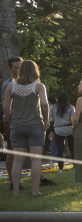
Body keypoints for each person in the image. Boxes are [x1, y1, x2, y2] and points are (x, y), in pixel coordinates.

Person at [3, 60, 50, 195]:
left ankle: (16, 190)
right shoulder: (39, 86)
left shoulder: (11, 86)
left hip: (17, 125)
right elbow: (45, 104)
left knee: (18, 160)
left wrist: (11, 120)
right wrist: (46, 119)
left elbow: (6, 107)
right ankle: (35, 190)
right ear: (35, 71)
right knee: (35, 160)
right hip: (35, 125)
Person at [3, 56, 21, 186]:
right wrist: (11, 121)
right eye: (16, 67)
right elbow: (6, 107)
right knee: (12, 152)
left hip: (25, 121)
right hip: (11, 122)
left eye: (21, 66)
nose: (20, 70)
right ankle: (12, 183)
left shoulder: (27, 82)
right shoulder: (7, 84)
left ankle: (41, 179)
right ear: (10, 69)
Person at [50, 90, 75, 170]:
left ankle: (60, 168)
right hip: (69, 129)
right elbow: (72, 120)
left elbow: (51, 120)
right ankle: (75, 166)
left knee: (59, 149)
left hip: (58, 129)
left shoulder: (53, 107)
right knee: (72, 148)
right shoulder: (71, 107)